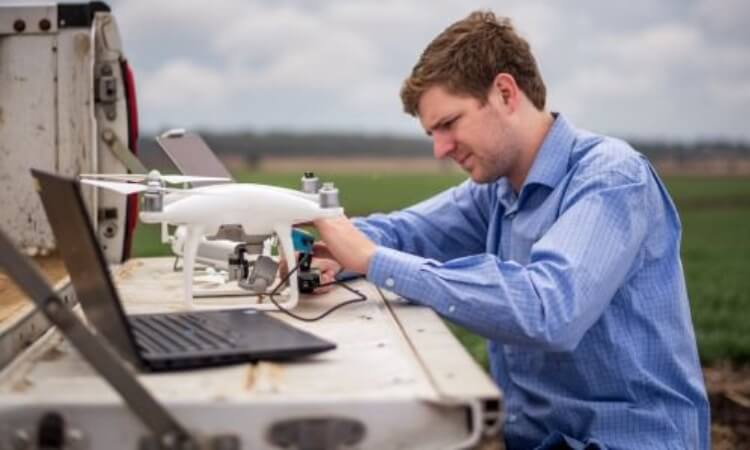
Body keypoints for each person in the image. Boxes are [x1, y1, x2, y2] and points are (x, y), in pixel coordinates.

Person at [311, 10, 709, 450]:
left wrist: (371, 260)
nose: (441, 149)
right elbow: (406, 233)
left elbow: (548, 310)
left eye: (448, 124)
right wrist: (312, 241)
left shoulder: (611, 177)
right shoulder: (498, 190)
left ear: (504, 92)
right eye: (432, 133)